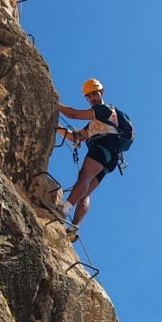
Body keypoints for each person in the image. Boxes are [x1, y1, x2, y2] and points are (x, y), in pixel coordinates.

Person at [57, 78, 126, 239]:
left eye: (94, 94)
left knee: (84, 178)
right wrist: (57, 127)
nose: (92, 98)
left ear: (101, 93)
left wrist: (55, 103)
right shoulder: (95, 123)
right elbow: (75, 137)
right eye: (89, 96)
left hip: (103, 148)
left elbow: (73, 114)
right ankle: (74, 228)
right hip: (110, 157)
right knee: (85, 191)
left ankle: (62, 210)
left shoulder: (105, 110)